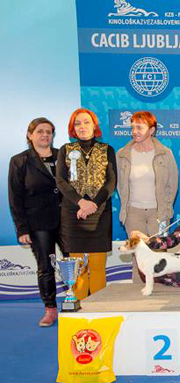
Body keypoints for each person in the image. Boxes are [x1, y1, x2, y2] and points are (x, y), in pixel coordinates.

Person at [55, 108, 117, 300]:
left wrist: (93, 204)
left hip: (99, 213)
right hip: (73, 213)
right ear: (72, 128)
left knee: (98, 266)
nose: (82, 126)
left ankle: (98, 308)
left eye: (86, 122)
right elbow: (61, 181)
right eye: (77, 123)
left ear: (94, 125)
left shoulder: (107, 150)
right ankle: (80, 306)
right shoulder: (65, 150)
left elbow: (111, 182)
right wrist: (81, 202)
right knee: (78, 268)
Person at [8, 118, 62, 326]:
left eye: (49, 131)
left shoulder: (64, 155)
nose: (45, 135)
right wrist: (21, 228)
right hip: (38, 223)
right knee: (45, 267)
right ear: (30, 135)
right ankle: (50, 309)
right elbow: (15, 197)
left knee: (74, 264)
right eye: (40, 131)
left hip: (67, 221)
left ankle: (79, 302)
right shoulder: (19, 161)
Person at [116, 111, 178, 282]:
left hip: (158, 214)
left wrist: (165, 210)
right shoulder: (122, 154)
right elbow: (121, 185)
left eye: (140, 127)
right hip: (133, 213)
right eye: (133, 127)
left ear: (151, 130)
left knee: (159, 255)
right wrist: (126, 208)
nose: (135, 131)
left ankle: (161, 291)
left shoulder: (165, 153)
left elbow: (172, 184)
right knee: (138, 256)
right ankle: (138, 292)